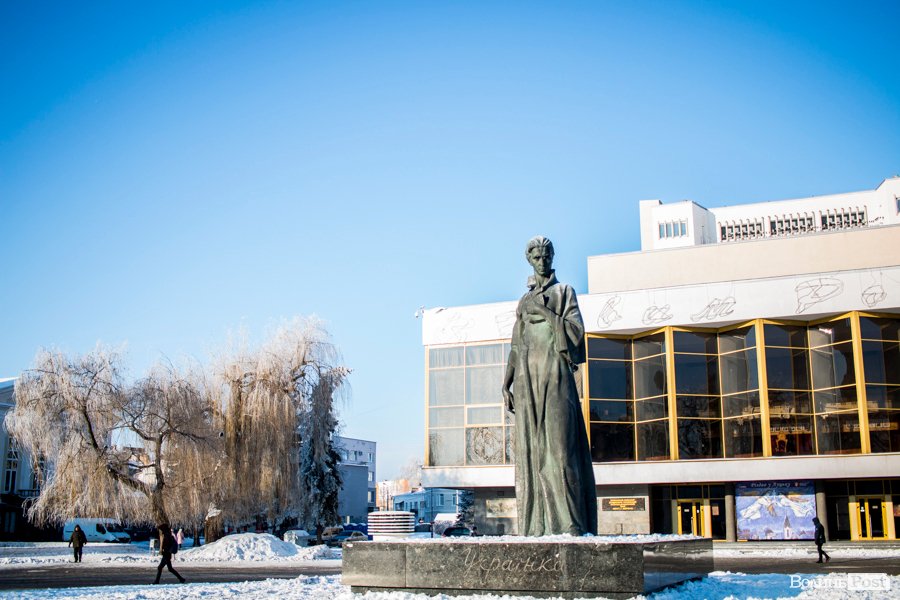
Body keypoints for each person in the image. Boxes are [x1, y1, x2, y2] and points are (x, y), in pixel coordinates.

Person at [502, 236, 598, 537]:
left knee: (561, 450)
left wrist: (546, 314)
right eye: (537, 257)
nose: (542, 262)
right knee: (533, 454)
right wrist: (506, 382)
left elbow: (577, 334)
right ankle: (537, 525)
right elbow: (516, 345)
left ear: (552, 257)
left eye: (547, 256)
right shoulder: (524, 301)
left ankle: (571, 523)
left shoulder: (564, 292)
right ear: (529, 260)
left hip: (555, 376)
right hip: (527, 382)